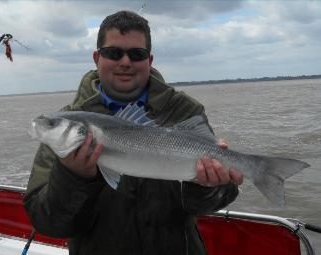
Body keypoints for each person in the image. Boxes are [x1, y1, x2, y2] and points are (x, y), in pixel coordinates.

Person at [24, 10, 243, 255]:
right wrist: (74, 177)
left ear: (149, 60)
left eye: (136, 54)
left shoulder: (184, 110)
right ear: (97, 58)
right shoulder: (68, 123)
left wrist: (208, 187)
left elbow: (210, 202)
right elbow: (48, 223)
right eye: (113, 53)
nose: (125, 62)